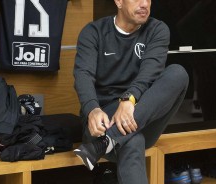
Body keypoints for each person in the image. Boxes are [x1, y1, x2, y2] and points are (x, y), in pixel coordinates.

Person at [73, 0, 189, 183]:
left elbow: (150, 72)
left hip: (142, 117)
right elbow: (83, 75)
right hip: (102, 122)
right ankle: (108, 139)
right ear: (119, 1)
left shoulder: (157, 29)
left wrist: (128, 100)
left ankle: (107, 142)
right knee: (133, 140)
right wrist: (92, 109)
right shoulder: (93, 32)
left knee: (178, 73)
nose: (144, 4)